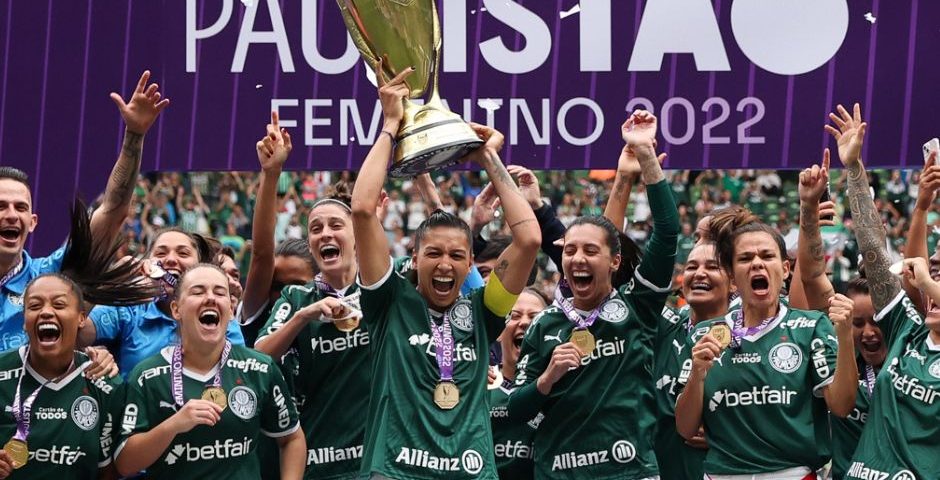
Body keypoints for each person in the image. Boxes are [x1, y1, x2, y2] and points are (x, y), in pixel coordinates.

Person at [351, 61, 541, 479]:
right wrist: (389, 125)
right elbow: (363, 209)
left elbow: (528, 240)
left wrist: (488, 157)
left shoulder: (483, 311)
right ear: (413, 258)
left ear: (471, 263)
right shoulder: (388, 302)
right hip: (395, 471)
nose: (444, 264)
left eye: (457, 256)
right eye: (433, 254)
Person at [508, 110, 679, 480]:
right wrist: (546, 379)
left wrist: (646, 155)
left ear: (615, 261)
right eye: (569, 251)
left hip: (630, 472)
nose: (578, 258)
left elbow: (667, 233)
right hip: (558, 473)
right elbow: (514, 409)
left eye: (590, 251)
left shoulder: (637, 307)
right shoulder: (545, 324)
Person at [675, 206, 858, 479]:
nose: (757, 263)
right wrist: (697, 375)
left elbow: (842, 406)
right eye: (745, 258)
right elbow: (685, 429)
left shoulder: (810, 327)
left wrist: (844, 335)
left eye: (767, 256)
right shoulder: (705, 334)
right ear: (732, 276)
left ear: (785, 269)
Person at [0, 70, 168, 352]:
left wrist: (134, 137)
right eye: (2, 206)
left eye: (21, 208)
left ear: (32, 222)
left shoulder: (54, 274)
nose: (11, 215)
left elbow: (113, 210)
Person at [0, 199, 156, 478]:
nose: (46, 312)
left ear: (82, 318)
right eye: (34, 306)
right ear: (23, 321)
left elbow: (108, 471)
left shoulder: (104, 382)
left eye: (59, 305)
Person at [825, 103, 940, 478]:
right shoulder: (909, 329)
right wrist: (855, 170)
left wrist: (925, 282)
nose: (933, 279)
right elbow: (873, 247)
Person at [115, 264, 306, 479]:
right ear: (176, 310)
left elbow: (291, 439)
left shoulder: (259, 368)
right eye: (197, 292)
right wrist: (174, 425)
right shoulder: (147, 376)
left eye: (219, 292)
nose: (210, 298)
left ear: (231, 310)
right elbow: (125, 464)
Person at [255, 181, 373, 480]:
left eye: (336, 225)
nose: (325, 234)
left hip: (377, 459)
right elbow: (260, 355)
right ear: (310, 244)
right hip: (322, 458)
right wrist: (302, 317)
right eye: (316, 229)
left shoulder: (380, 289)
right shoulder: (297, 298)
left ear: (356, 235)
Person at [79, 228, 246, 375]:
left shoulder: (217, 314)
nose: (171, 259)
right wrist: (109, 284)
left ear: (199, 266)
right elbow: (73, 333)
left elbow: (237, 373)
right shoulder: (129, 309)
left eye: (183, 253)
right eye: (160, 253)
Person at [653, 240, 731, 480]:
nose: (699, 273)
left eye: (712, 266)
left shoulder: (751, 336)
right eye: (691, 267)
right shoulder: (663, 327)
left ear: (734, 281)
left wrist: (731, 432)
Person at [488, 288, 547, 480]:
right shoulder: (477, 384)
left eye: (535, 317)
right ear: (497, 331)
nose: (525, 322)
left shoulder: (561, 386)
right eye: (514, 315)